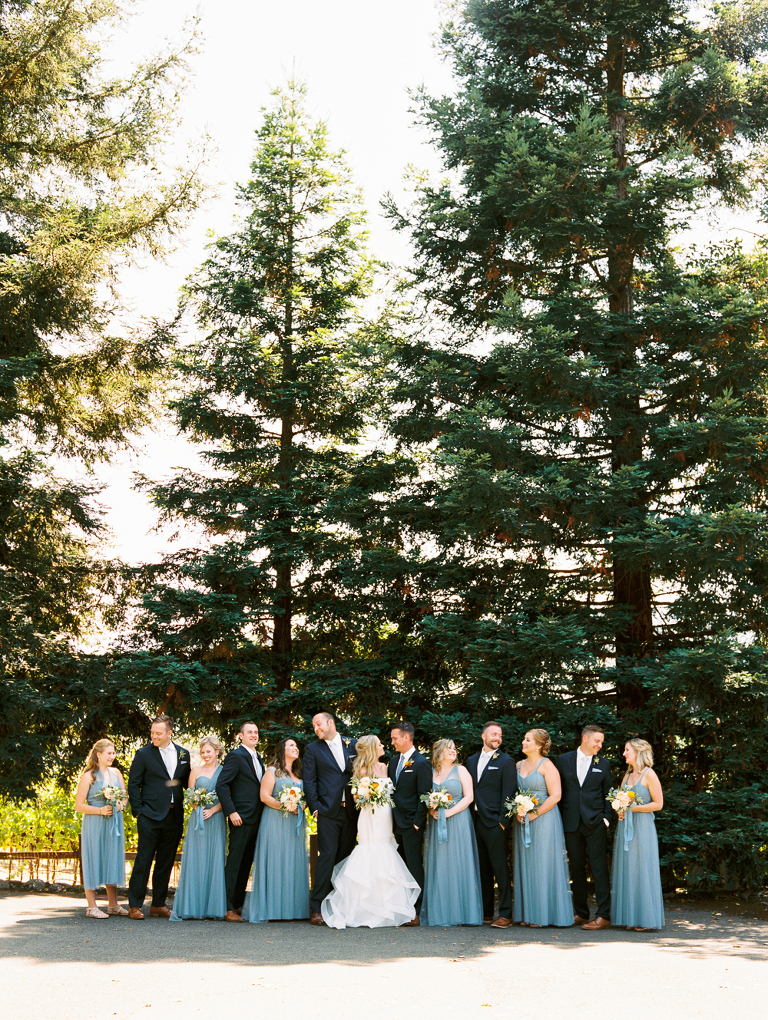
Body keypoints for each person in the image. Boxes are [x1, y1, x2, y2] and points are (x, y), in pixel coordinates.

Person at [321, 734, 419, 928]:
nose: (384, 745)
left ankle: (389, 908)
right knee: (370, 850)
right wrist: (369, 794)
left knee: (386, 851)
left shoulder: (386, 767)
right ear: (373, 748)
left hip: (386, 815)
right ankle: (363, 908)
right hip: (369, 815)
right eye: (380, 743)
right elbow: (357, 799)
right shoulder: (361, 769)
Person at [127, 714, 191, 919]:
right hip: (149, 815)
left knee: (166, 860)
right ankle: (135, 905)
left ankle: (158, 904)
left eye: (158, 733)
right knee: (144, 859)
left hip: (174, 815)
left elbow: (184, 781)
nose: (153, 736)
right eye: (152, 732)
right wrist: (138, 811)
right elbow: (133, 783)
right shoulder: (144, 753)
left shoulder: (184, 754)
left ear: (169, 733)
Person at [244, 738, 310, 923]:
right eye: (291, 746)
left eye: (296, 746)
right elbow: (264, 796)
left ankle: (292, 910)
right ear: (282, 750)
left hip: (294, 823)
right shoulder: (272, 771)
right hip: (274, 821)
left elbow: (304, 798)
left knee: (293, 861)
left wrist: (300, 806)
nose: (295, 748)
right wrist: (285, 805)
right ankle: (272, 910)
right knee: (275, 861)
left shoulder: (299, 774)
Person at [513, 728, 573, 927]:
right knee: (526, 864)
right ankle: (526, 913)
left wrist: (533, 814)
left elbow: (555, 796)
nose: (523, 742)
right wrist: (518, 810)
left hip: (544, 819)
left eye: (527, 739)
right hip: (522, 820)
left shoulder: (547, 765)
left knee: (542, 864)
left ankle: (542, 915)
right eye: (524, 738)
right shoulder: (518, 765)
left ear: (538, 745)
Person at [303, 711, 358, 925]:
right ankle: (316, 907)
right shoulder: (313, 749)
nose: (316, 729)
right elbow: (310, 780)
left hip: (352, 811)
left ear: (331, 723)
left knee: (345, 858)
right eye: (314, 726)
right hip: (327, 811)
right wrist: (315, 808)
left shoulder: (352, 744)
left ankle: (338, 905)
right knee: (326, 856)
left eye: (319, 724)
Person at [420, 738, 483, 927]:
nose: (454, 752)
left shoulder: (461, 770)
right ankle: (440, 913)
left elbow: (469, 796)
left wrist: (449, 812)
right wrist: (433, 811)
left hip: (458, 821)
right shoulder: (430, 772)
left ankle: (464, 913)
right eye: (449, 749)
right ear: (439, 751)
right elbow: (424, 797)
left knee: (459, 862)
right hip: (436, 822)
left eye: (455, 749)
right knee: (439, 864)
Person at [556, 723, 613, 930]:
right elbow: (559, 789)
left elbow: (609, 792)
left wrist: (606, 818)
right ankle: (581, 912)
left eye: (602, 742)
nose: (600, 745)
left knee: (599, 869)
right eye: (597, 741)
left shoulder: (603, 763)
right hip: (571, 822)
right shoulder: (564, 760)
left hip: (595, 822)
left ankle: (604, 915)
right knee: (576, 868)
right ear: (585, 739)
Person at [466, 720, 516, 927]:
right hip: (474, 821)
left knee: (499, 868)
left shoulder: (506, 761)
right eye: (494, 734)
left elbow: (509, 792)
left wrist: (503, 821)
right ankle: (486, 912)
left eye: (500, 735)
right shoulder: (470, 761)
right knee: (482, 868)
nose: (497, 738)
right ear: (483, 736)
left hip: (495, 822)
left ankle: (505, 913)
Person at [170, 736, 226, 921]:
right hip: (198, 819)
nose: (205, 755)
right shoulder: (195, 771)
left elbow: (227, 796)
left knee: (214, 859)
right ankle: (192, 906)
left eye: (209, 751)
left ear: (217, 752)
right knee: (196, 859)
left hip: (216, 819)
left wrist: (213, 810)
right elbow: (190, 795)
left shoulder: (224, 771)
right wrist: (199, 807)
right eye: (203, 752)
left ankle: (213, 907)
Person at [611, 738, 665, 931]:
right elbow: (619, 800)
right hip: (626, 826)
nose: (624, 753)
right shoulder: (626, 776)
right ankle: (630, 916)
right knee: (628, 868)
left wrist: (634, 808)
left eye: (627, 750)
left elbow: (658, 804)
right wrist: (620, 810)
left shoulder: (649, 775)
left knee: (642, 868)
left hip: (642, 827)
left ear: (639, 752)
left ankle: (645, 918)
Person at [216, 721, 265, 922]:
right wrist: (232, 812)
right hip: (240, 818)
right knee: (235, 863)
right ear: (241, 736)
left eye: (256, 732)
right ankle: (226, 907)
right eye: (249, 732)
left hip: (257, 818)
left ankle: (237, 904)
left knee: (246, 863)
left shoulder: (258, 758)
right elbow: (222, 785)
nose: (253, 735)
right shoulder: (236, 756)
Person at [75, 738, 128, 918]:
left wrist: (118, 806)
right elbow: (79, 805)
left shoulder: (116, 773)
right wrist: (100, 810)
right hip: (95, 823)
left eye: (113, 753)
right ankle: (91, 906)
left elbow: (124, 798)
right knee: (94, 858)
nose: (112, 756)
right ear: (98, 755)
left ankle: (113, 905)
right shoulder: (89, 776)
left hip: (114, 822)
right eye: (109, 753)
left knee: (111, 857)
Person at [387, 721, 432, 925]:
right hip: (394, 823)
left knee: (414, 866)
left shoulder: (421, 762)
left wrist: (417, 822)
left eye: (395, 738)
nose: (392, 742)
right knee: (400, 868)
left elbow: (425, 795)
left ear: (407, 738)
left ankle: (417, 911)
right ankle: (403, 908)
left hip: (411, 824)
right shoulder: (393, 762)